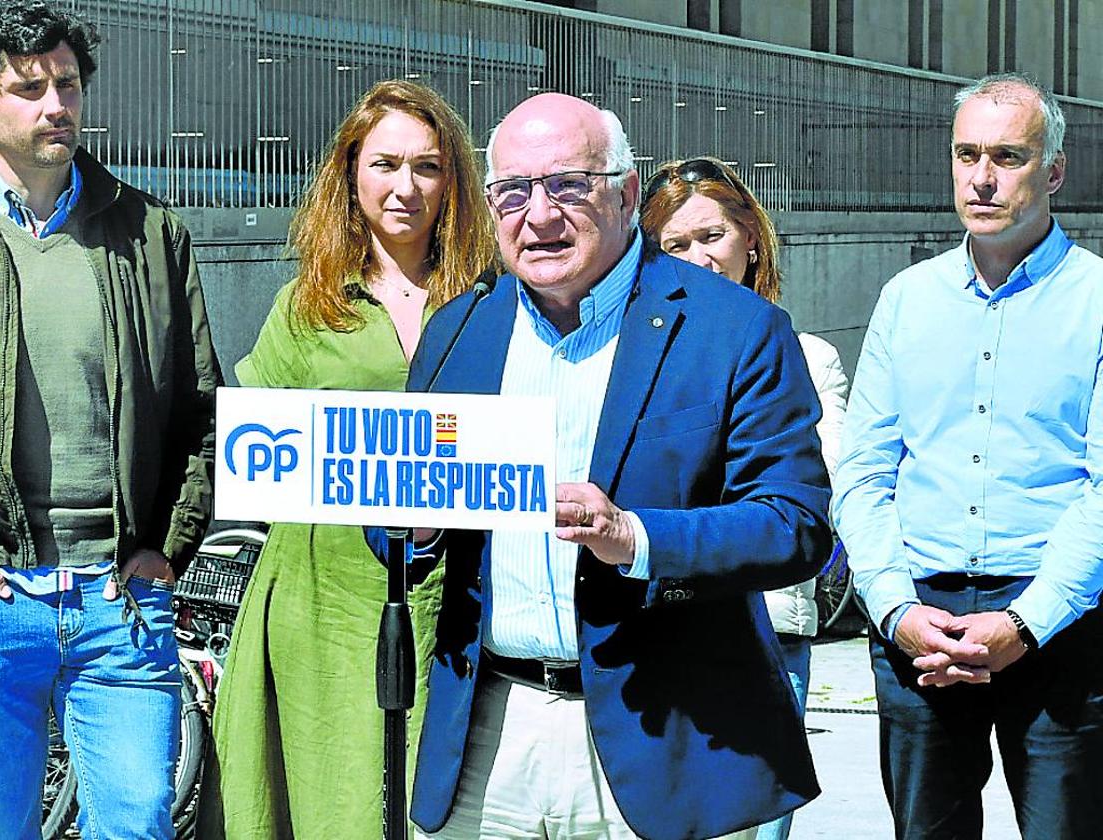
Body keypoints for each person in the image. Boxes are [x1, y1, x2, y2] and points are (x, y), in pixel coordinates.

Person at [392, 93, 831, 840]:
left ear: (627, 193)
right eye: (512, 192)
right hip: (489, 735)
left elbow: (794, 524)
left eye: (568, 184)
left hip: (663, 736)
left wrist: (636, 538)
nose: (538, 215)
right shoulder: (460, 330)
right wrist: (421, 527)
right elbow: (395, 530)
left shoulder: (736, 329)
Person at [0, 1, 220, 837]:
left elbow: (202, 413)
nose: (57, 105)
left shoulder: (150, 233)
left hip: (121, 596)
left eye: (69, 84)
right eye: (29, 87)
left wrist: (167, 547)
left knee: (139, 819)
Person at [199, 80, 494, 839]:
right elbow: (256, 452)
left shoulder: (495, 299)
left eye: (427, 167)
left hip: (454, 596)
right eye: (385, 164)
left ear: (453, 180)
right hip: (320, 597)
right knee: (336, 801)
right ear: (350, 174)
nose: (405, 186)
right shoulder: (308, 302)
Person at [833, 72, 1103, 839]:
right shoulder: (906, 299)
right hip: (920, 619)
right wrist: (894, 608)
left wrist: (1027, 620)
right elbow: (862, 473)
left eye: (1008, 156)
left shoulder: (1097, 299)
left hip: (1061, 620)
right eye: (967, 154)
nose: (982, 177)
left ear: (1052, 171)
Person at [640, 156, 847, 840]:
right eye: (675, 245)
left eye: (712, 237)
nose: (698, 259)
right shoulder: (629, 366)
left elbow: (813, 493)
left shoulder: (807, 357)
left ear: (751, 238)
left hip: (768, 635)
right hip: (659, 635)